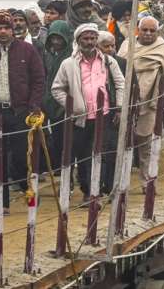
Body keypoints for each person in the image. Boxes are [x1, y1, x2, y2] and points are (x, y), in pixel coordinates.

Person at [0, 10, 45, 210]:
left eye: (7, 27)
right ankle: (1, 204)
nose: (3, 32)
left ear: (13, 30)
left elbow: (39, 80)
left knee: (21, 157)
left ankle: (27, 189)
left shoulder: (27, 51)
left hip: (20, 112)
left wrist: (33, 105)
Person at [51, 23, 125, 198]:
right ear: (78, 40)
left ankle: (93, 193)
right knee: (79, 155)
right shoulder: (68, 64)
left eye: (93, 38)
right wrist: (71, 105)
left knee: (97, 154)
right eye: (86, 38)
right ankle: (84, 188)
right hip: (79, 118)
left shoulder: (108, 61)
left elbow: (121, 84)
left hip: (104, 115)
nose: (90, 42)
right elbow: (56, 89)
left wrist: (120, 108)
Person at [117, 16, 164, 181]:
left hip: (150, 100)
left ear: (158, 32)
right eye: (144, 30)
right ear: (138, 30)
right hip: (126, 99)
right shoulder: (127, 45)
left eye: (152, 31)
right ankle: (120, 178)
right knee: (122, 139)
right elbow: (117, 70)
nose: (147, 33)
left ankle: (146, 178)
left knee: (146, 140)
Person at [41, 20, 74, 168]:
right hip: (49, 103)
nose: (56, 42)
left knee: (67, 139)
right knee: (55, 137)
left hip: (65, 102)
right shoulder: (47, 55)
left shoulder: (71, 57)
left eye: (59, 38)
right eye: (53, 38)